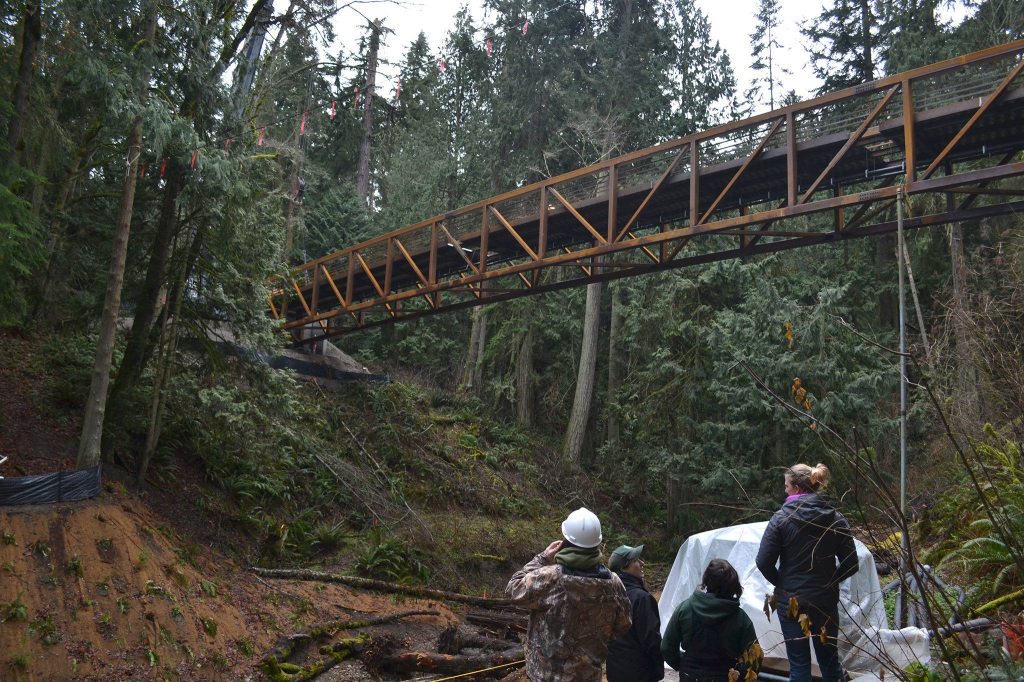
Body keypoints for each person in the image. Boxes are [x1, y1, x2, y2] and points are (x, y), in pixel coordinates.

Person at [755, 462, 859, 682]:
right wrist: (830, 581)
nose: (784, 490)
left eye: (786, 485)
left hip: (792, 601)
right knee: (830, 664)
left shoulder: (780, 519)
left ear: (796, 487)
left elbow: (763, 562)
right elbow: (851, 563)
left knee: (800, 667)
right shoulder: (835, 518)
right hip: (824, 601)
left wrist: (783, 584)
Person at [505, 507, 632, 681]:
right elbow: (622, 626)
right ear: (597, 543)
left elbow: (513, 589)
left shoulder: (550, 577)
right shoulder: (614, 582)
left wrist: (542, 558)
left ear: (565, 540)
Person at [661, 559, 761, 681]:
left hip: (690, 676)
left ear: (706, 580)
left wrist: (683, 665)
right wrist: (740, 677)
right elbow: (755, 658)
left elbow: (666, 647)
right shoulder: (740, 618)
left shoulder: (685, 609)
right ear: (733, 584)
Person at [606, 544, 664, 682]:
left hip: (614, 670)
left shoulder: (606, 593)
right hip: (640, 672)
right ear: (623, 568)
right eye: (635, 561)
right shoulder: (641, 598)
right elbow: (651, 640)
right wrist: (657, 670)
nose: (642, 563)